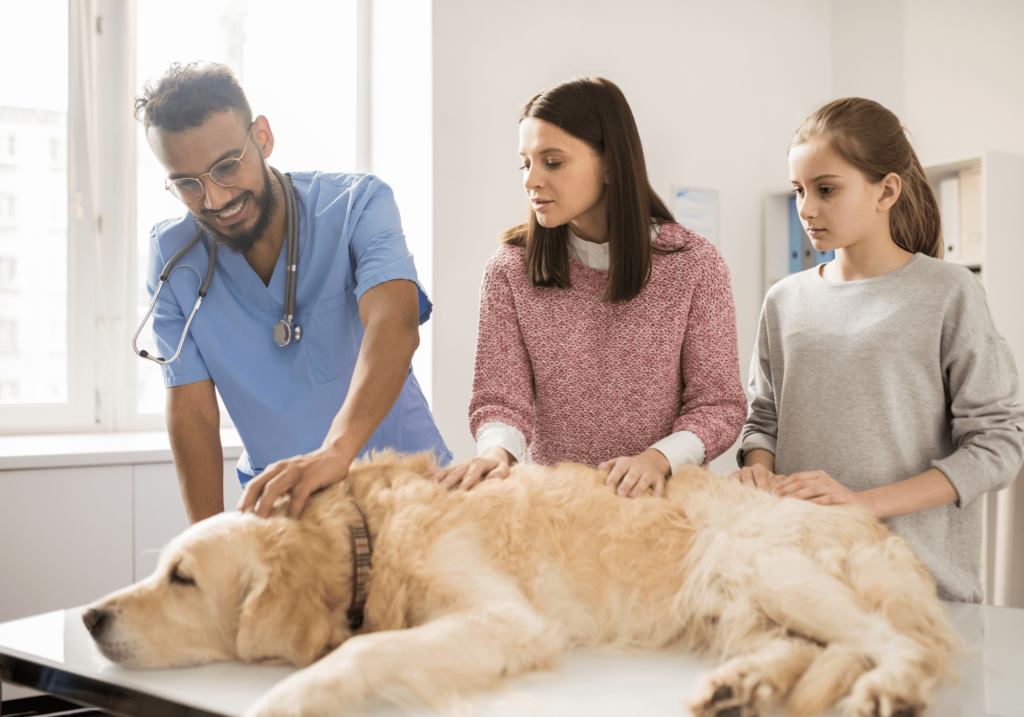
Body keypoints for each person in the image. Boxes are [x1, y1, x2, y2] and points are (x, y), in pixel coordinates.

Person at [734, 97, 1024, 602]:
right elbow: (763, 421)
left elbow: (998, 446)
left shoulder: (948, 292)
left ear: (886, 190)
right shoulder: (784, 300)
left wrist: (861, 504)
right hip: (800, 578)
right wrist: (758, 471)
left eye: (826, 189)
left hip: (919, 589)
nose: (806, 208)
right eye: (800, 190)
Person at [136, 62, 450, 523]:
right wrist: (210, 545)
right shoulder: (173, 259)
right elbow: (192, 409)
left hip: (408, 488)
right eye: (187, 184)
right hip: (289, 510)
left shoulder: (357, 205)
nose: (216, 199)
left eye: (226, 167)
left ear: (261, 137)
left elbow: (395, 326)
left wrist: (335, 453)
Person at [428, 77, 747, 498]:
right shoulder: (509, 270)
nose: (531, 181)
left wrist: (657, 459)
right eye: (525, 163)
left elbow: (718, 406)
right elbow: (500, 401)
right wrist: (495, 454)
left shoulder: (695, 264)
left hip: (665, 511)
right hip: (556, 513)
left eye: (553, 162)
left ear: (612, 164)